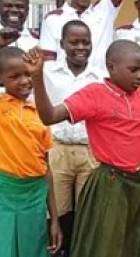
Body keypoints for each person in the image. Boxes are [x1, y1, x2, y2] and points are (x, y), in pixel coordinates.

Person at [28, 41, 140, 257]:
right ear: (111, 67)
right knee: (104, 247)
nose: (139, 76)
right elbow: (49, 116)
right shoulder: (95, 94)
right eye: (133, 70)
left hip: (139, 185)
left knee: (132, 246)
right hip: (111, 184)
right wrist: (37, 77)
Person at [0, 47, 62, 257]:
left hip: (34, 195)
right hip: (1, 191)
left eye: (28, 74)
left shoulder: (42, 114)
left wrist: (55, 220)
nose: (24, 81)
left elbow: (46, 168)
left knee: (32, 249)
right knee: (0, 247)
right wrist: (0, 46)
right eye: (15, 76)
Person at [42, 20, 104, 255]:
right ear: (62, 44)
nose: (81, 47)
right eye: (74, 42)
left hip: (90, 150)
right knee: (57, 212)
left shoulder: (100, 77)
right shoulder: (47, 73)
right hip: (57, 148)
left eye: (85, 42)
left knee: (87, 212)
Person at [0, 0, 39, 93]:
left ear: (27, 10)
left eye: (19, 6)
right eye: (8, 6)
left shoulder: (38, 41)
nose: (14, 10)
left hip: (29, 106)